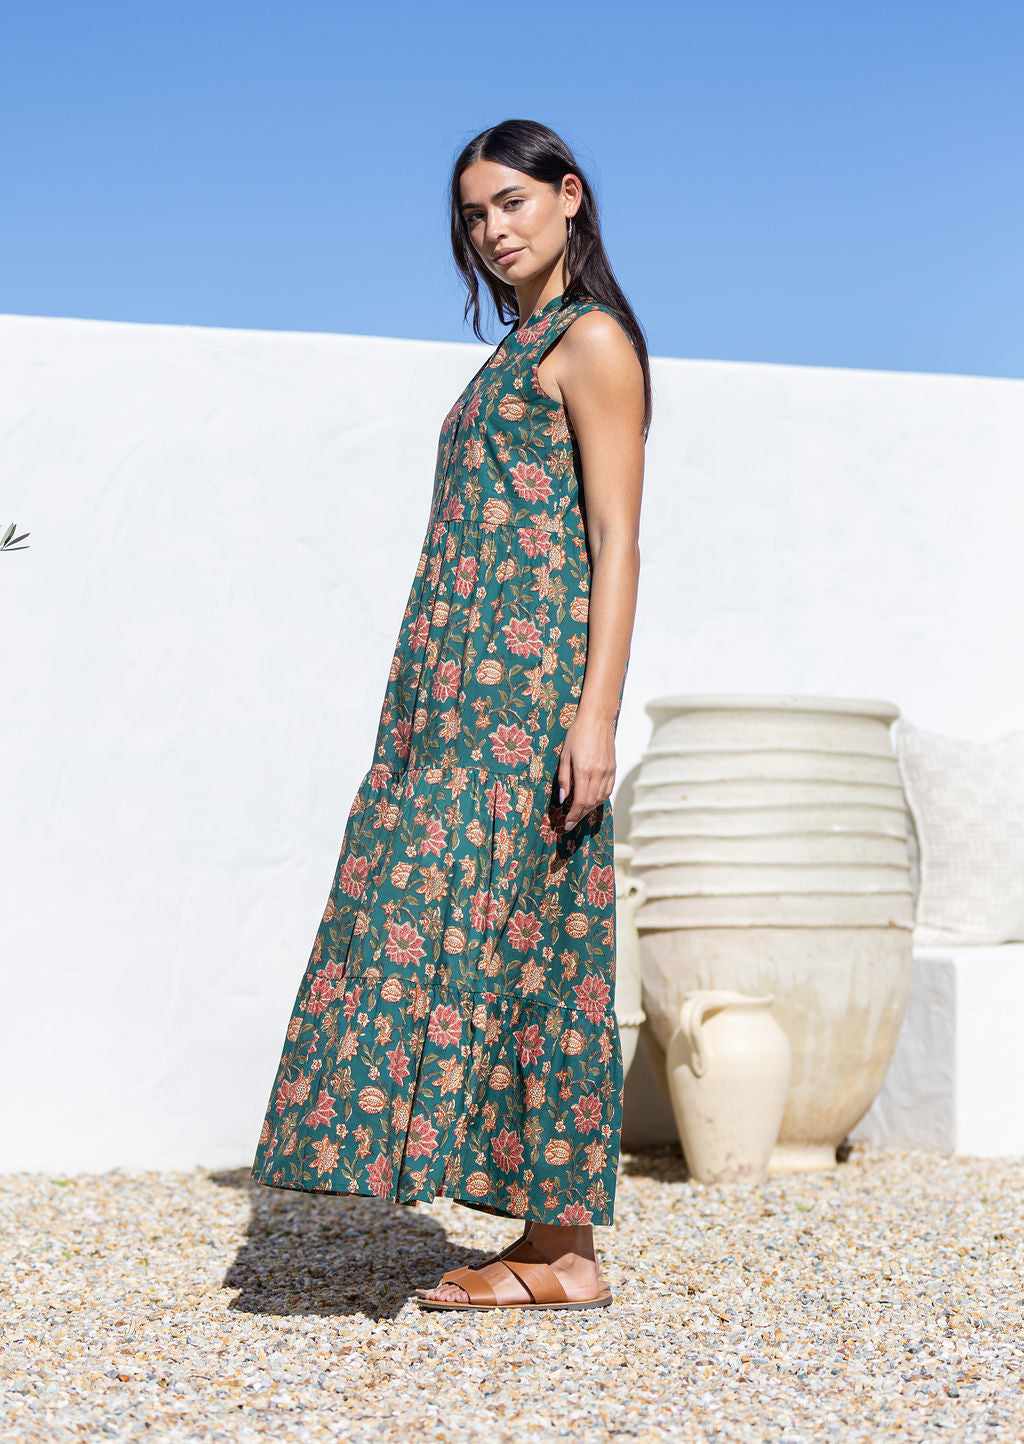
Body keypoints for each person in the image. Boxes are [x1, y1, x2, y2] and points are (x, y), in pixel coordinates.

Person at [251, 117, 648, 1313]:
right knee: (502, 938)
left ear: (568, 198)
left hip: (527, 703)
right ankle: (554, 1249)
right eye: (475, 215)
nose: (492, 230)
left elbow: (617, 541)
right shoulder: (516, 346)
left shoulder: (592, 344)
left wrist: (594, 719)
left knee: (528, 942)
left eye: (512, 204)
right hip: (452, 697)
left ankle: (559, 1247)